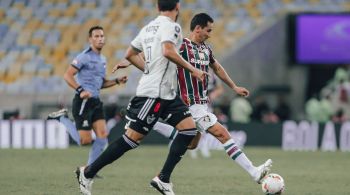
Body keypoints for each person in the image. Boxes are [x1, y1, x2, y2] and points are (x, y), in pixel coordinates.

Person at [115, 13, 272, 187]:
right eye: (208, 30)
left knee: (192, 144)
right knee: (222, 134)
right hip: (189, 104)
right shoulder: (181, 45)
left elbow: (217, 68)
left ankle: (154, 125)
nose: (210, 34)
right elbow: (155, 53)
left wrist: (234, 87)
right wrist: (128, 61)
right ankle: (254, 172)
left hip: (202, 105)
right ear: (198, 28)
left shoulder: (206, 49)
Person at [75, 1, 207, 195]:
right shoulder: (172, 27)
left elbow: (130, 54)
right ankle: (87, 172)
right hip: (153, 95)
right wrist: (193, 69)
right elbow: (168, 51)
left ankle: (163, 179)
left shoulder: (148, 27)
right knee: (131, 140)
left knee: (189, 130)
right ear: (177, 7)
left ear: (157, 7)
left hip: (167, 94)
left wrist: (148, 69)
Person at [47, 26, 127, 169]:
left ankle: (89, 171)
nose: (100, 38)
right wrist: (80, 89)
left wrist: (116, 81)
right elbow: (67, 75)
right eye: (96, 36)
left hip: (96, 101)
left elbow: (101, 83)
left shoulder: (103, 59)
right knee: (84, 141)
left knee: (102, 137)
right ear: (90, 39)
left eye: (102, 36)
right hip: (83, 101)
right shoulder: (84, 57)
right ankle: (62, 118)